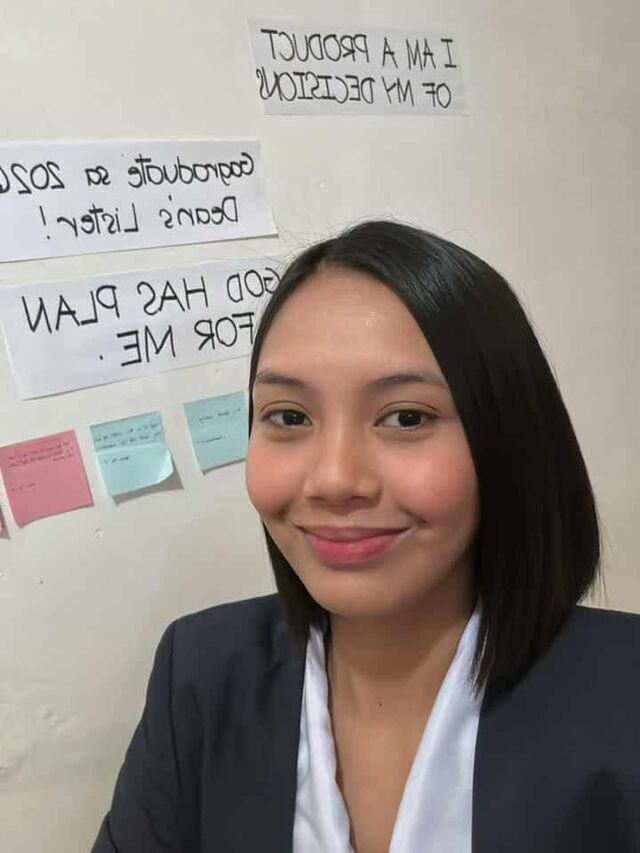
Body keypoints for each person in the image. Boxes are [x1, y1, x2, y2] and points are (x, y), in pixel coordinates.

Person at [92, 220, 640, 853]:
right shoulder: (204, 671)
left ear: (509, 440)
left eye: (406, 417)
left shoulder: (623, 694)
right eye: (289, 416)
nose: (333, 480)